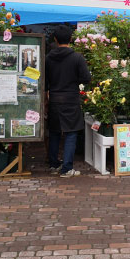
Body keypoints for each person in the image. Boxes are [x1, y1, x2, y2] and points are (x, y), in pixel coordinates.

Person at [46, 25, 91, 177]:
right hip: (71, 98)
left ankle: (53, 165)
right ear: (71, 39)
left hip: (54, 98)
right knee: (71, 133)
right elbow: (86, 78)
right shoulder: (77, 57)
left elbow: (44, 80)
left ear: (55, 39)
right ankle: (66, 168)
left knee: (54, 132)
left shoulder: (48, 58)